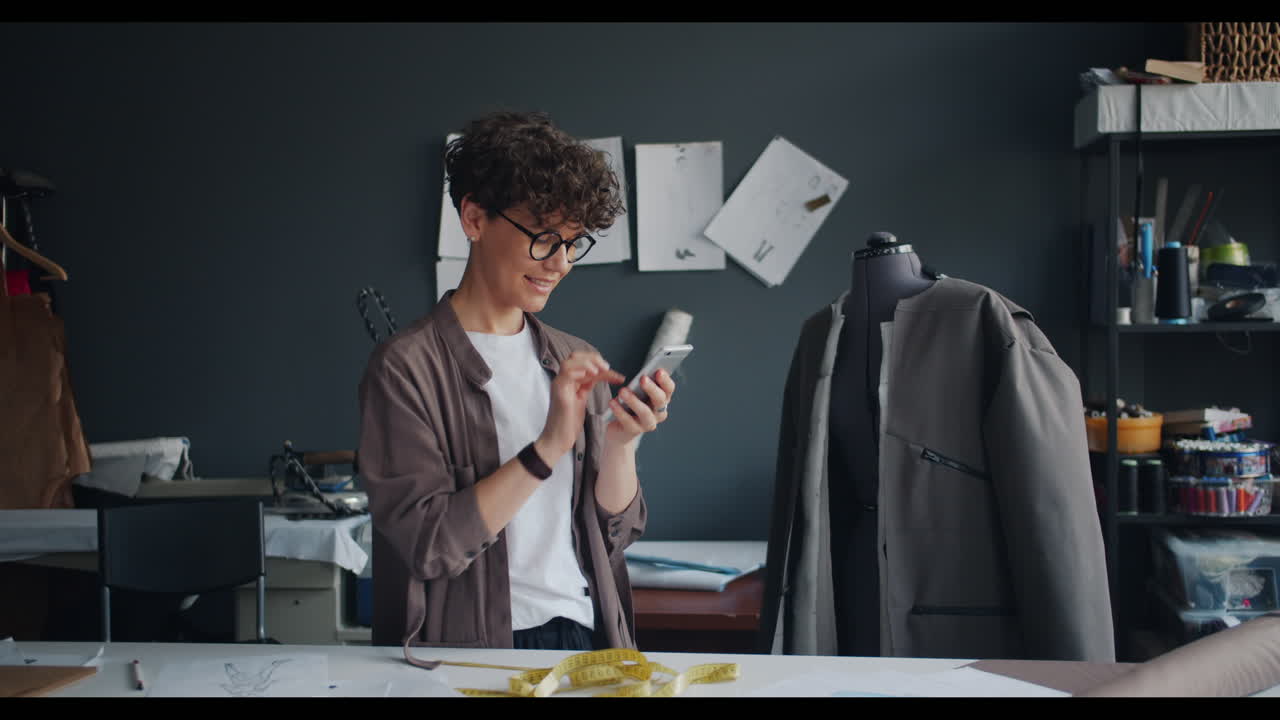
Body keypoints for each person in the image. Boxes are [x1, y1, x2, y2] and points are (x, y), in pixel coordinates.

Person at [357, 110, 675, 657]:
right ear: (475, 219)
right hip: (471, 649)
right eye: (545, 238)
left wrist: (621, 444)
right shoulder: (405, 368)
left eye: (574, 243)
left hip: (587, 636)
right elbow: (426, 545)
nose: (561, 263)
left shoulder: (573, 357)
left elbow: (614, 537)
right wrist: (550, 445)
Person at [760, 232, 1114, 662]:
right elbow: (794, 496)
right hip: (843, 591)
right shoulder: (818, 333)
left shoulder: (982, 318)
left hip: (961, 596)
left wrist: (1084, 667)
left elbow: (1057, 513)